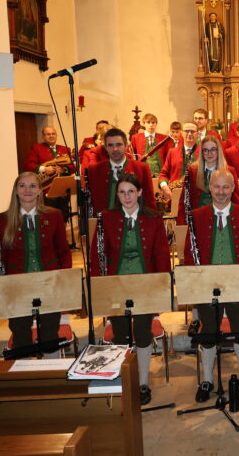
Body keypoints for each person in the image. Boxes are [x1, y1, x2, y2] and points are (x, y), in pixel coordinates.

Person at [90, 172, 170, 406]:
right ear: (117, 194)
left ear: (140, 193)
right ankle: (123, 380)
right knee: (121, 335)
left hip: (145, 285)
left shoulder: (154, 218)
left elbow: (161, 255)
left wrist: (161, 286)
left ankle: (143, 383)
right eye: (122, 192)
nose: (127, 196)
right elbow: (98, 255)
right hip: (116, 285)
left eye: (131, 191)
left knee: (143, 333)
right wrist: (99, 286)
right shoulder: (106, 218)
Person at [185, 170, 239, 403]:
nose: (220, 192)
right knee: (208, 333)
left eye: (225, 187)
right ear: (210, 187)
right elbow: (190, 254)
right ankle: (207, 379)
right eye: (216, 187)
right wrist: (194, 283)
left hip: (238, 283)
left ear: (232, 189)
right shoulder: (196, 215)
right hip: (206, 284)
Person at [0, 172, 71, 357]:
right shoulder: (2, 220)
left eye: (33, 186)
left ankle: (50, 376)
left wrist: (64, 281)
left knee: (51, 333)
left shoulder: (55, 215)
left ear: (40, 190)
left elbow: (63, 252)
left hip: (49, 283)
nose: (28, 190)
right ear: (16, 191)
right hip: (16, 286)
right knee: (20, 334)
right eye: (22, 186)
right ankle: (25, 376)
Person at [85, 128, 155, 214]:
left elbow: (150, 202)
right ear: (105, 148)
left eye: (119, 145)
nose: (115, 149)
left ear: (126, 146)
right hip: (103, 223)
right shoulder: (94, 170)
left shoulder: (141, 168)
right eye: (110, 145)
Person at [175, 135, 239, 225]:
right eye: (205, 150)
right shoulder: (193, 171)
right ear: (202, 152)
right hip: (198, 220)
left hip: (223, 220)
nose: (209, 153)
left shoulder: (229, 171)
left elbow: (236, 202)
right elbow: (184, 201)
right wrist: (181, 225)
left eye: (213, 149)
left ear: (219, 151)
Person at [23, 126, 75, 218]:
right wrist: (44, 169)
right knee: (49, 216)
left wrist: (64, 169)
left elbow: (73, 166)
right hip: (45, 189)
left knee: (63, 215)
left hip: (62, 189)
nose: (51, 136)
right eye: (48, 134)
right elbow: (28, 165)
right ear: (43, 136)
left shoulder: (65, 149)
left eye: (53, 134)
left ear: (56, 135)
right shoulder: (36, 148)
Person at [158, 122, 200, 201]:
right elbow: (164, 174)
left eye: (192, 131)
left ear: (197, 133)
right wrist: (164, 187)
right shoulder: (172, 152)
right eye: (186, 131)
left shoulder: (204, 152)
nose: (189, 134)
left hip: (197, 198)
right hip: (175, 197)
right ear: (182, 133)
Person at [130, 113, 168, 177]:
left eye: (153, 122)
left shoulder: (163, 138)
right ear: (144, 123)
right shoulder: (135, 138)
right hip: (142, 173)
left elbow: (167, 157)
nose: (151, 125)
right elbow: (132, 156)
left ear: (156, 124)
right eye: (148, 122)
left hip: (160, 173)